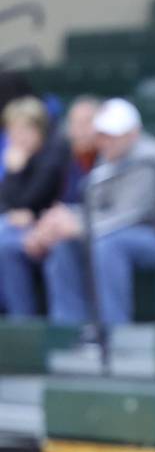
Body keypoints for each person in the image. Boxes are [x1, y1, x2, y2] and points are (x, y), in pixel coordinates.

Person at [32, 98, 155, 325]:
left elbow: (128, 215)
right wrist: (64, 218)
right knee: (63, 243)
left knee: (108, 244)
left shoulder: (149, 158)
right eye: (102, 134)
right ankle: (68, 328)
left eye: (113, 134)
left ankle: (113, 331)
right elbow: (98, 209)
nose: (106, 141)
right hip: (134, 233)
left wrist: (76, 225)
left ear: (134, 132)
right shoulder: (109, 156)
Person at [0, 97, 98, 316]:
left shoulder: (55, 152)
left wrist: (14, 172)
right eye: (13, 131)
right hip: (45, 225)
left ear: (39, 129)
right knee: (5, 242)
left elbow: (31, 200)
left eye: (24, 130)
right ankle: (21, 325)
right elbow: (6, 203)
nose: (18, 137)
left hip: (69, 229)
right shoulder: (71, 153)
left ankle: (64, 329)